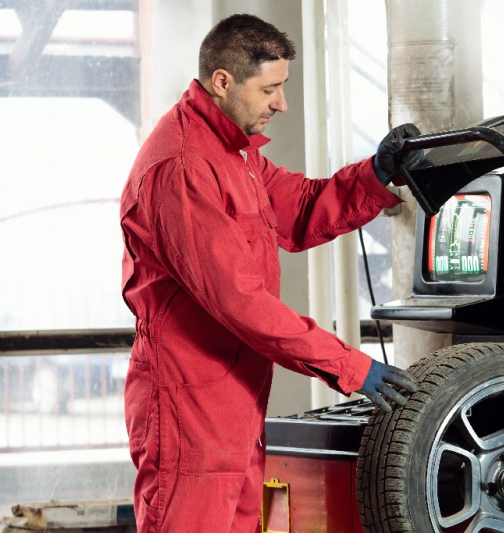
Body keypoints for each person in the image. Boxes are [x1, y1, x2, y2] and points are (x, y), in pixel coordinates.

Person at [119, 13, 420, 533]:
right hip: (190, 409)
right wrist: (351, 367)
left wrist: (374, 173)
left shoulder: (233, 154)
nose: (281, 103)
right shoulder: (185, 167)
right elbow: (243, 303)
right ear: (223, 82)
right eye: (271, 89)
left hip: (233, 405)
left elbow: (301, 208)